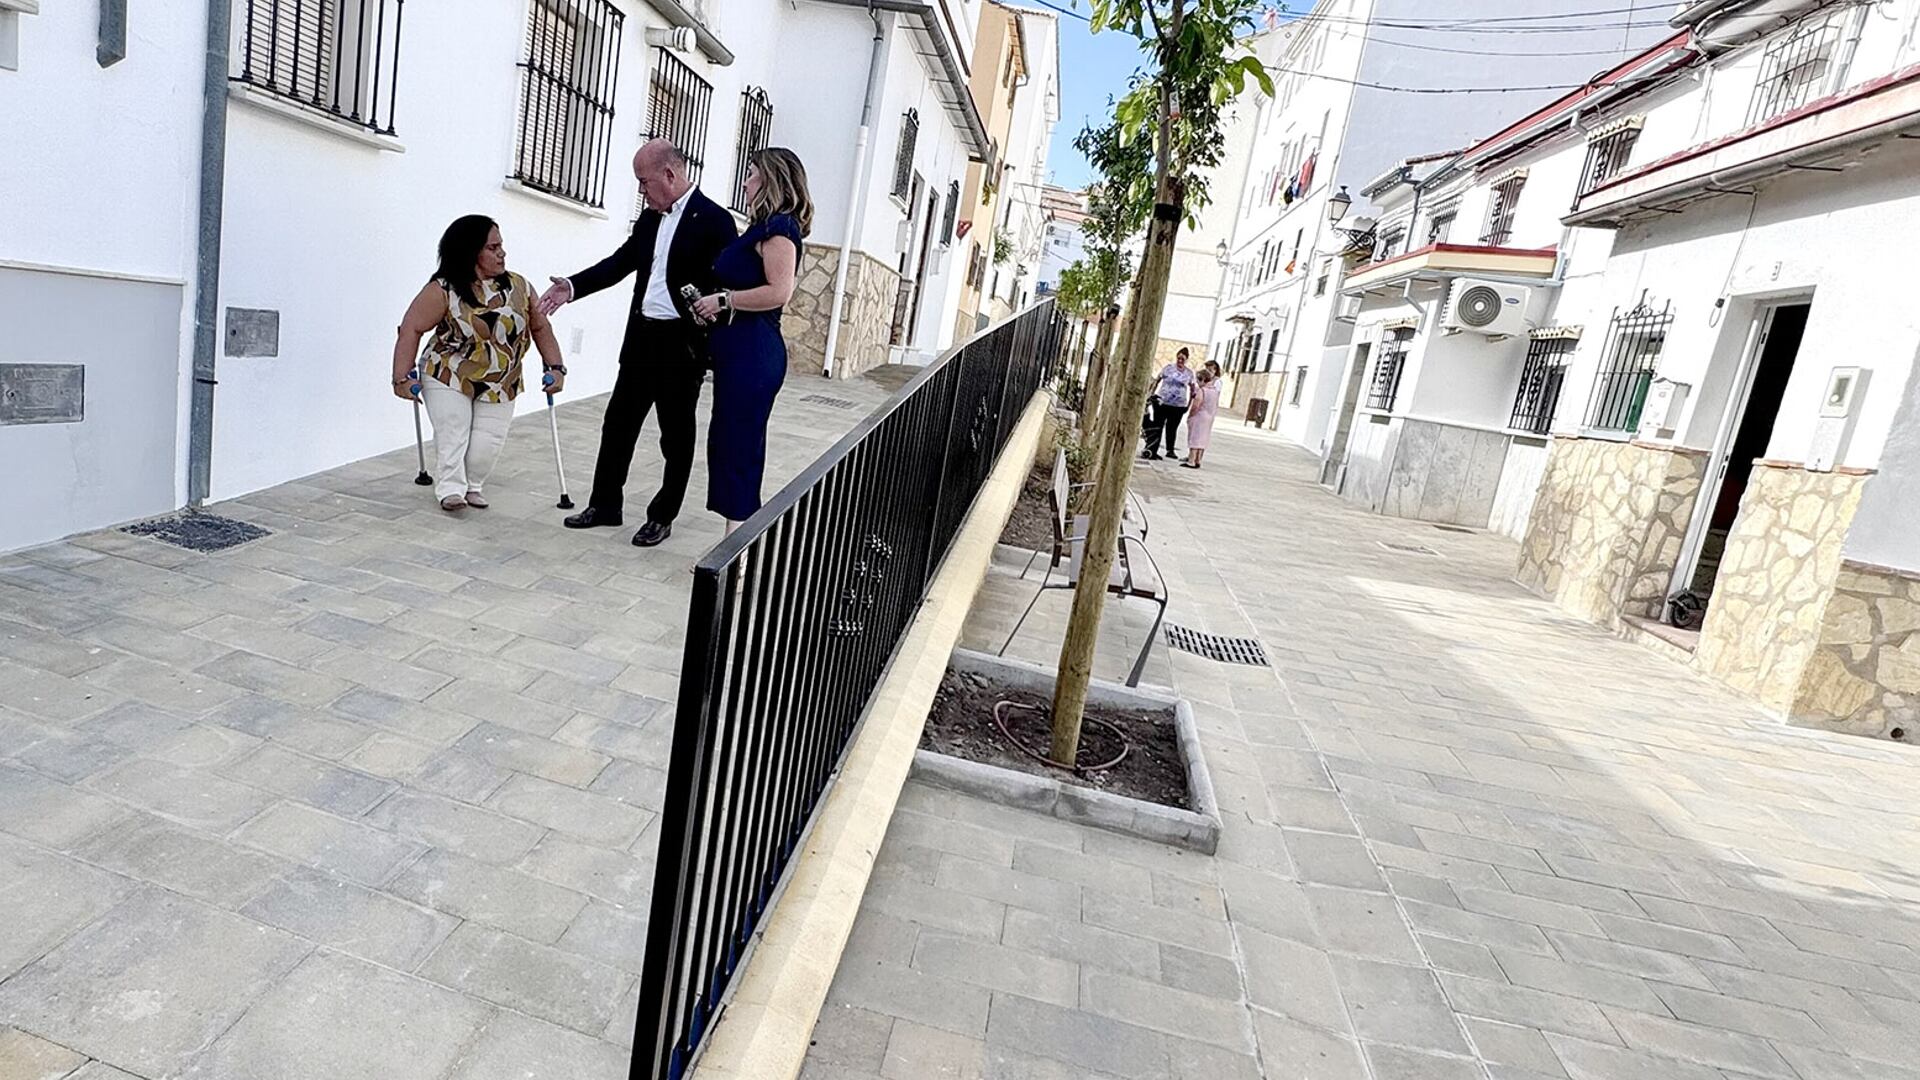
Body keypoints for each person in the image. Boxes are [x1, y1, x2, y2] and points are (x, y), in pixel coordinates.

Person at [538, 139, 738, 548]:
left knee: (675, 437)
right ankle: (605, 505)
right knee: (618, 425)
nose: (641, 191)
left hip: (681, 346)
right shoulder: (648, 220)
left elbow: (725, 284)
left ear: (669, 174)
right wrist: (572, 287)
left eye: (644, 182)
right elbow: (619, 263)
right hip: (642, 339)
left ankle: (662, 516)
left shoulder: (714, 220)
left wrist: (713, 324)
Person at [392, 215, 565, 511]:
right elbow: (411, 328)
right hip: (449, 370)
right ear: (470, 251)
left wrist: (555, 367)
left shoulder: (519, 286)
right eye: (493, 247)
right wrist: (401, 379)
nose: (502, 253)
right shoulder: (444, 289)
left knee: (488, 441)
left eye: (501, 245)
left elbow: (540, 327)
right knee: (453, 429)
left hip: (502, 378)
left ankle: (473, 485)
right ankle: (450, 489)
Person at [689, 148, 812, 534]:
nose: (745, 182)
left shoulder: (780, 229)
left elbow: (780, 291)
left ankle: (736, 550)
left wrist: (724, 300)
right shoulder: (761, 229)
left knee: (739, 445)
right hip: (738, 350)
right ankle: (735, 539)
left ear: (771, 180)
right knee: (729, 441)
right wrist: (714, 306)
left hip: (753, 353)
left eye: (752, 174)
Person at [1142, 348, 1196, 460]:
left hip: (1178, 405)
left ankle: (1170, 450)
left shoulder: (1189, 373)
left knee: (1172, 428)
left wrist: (1189, 404)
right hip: (1162, 402)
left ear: (1186, 360)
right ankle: (1153, 448)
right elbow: (1157, 380)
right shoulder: (1168, 368)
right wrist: (1151, 394)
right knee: (1158, 426)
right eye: (1179, 358)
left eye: (1183, 359)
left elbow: (1192, 389)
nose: (1180, 361)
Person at [1183, 365, 1221, 469]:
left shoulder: (1202, 391)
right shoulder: (1215, 392)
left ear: (1203, 379)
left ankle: (1191, 460)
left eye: (1198, 380)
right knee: (1203, 439)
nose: (1197, 383)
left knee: (1195, 439)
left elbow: (1196, 405)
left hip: (1199, 416)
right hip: (1209, 416)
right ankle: (1198, 460)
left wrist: (1190, 415)